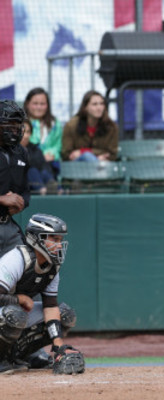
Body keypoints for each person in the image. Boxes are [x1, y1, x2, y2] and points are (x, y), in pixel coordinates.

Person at [0, 213, 85, 374]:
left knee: (64, 315)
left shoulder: (52, 266)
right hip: (8, 311)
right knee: (14, 314)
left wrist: (58, 344)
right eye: (54, 239)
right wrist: (18, 299)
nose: (59, 246)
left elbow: (50, 307)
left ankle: (16, 357)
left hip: (11, 312)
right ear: (36, 238)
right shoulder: (17, 259)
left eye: (60, 240)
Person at [0, 100, 30, 257]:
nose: (14, 129)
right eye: (9, 124)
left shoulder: (21, 152)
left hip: (8, 225)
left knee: (24, 271)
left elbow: (26, 191)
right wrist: (1, 199)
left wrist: (21, 202)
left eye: (17, 124)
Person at [61, 90, 119, 162]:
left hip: (103, 167)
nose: (99, 108)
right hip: (77, 167)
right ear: (85, 107)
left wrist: (84, 152)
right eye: (94, 104)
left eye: (102, 104)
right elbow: (66, 154)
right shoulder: (71, 126)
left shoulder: (111, 127)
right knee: (87, 156)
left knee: (87, 155)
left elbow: (112, 154)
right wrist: (92, 156)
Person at [23, 88, 62, 178]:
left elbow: (58, 145)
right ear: (27, 104)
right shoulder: (21, 123)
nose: (39, 107)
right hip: (29, 164)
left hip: (51, 163)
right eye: (35, 104)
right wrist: (41, 156)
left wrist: (52, 154)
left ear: (47, 105)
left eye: (42, 104)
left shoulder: (55, 123)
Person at [20, 119, 59, 195]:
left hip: (39, 179)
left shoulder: (35, 149)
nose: (26, 136)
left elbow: (43, 165)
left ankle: (58, 190)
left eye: (28, 132)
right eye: (22, 132)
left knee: (45, 172)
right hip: (21, 184)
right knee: (32, 171)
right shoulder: (10, 150)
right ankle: (44, 191)